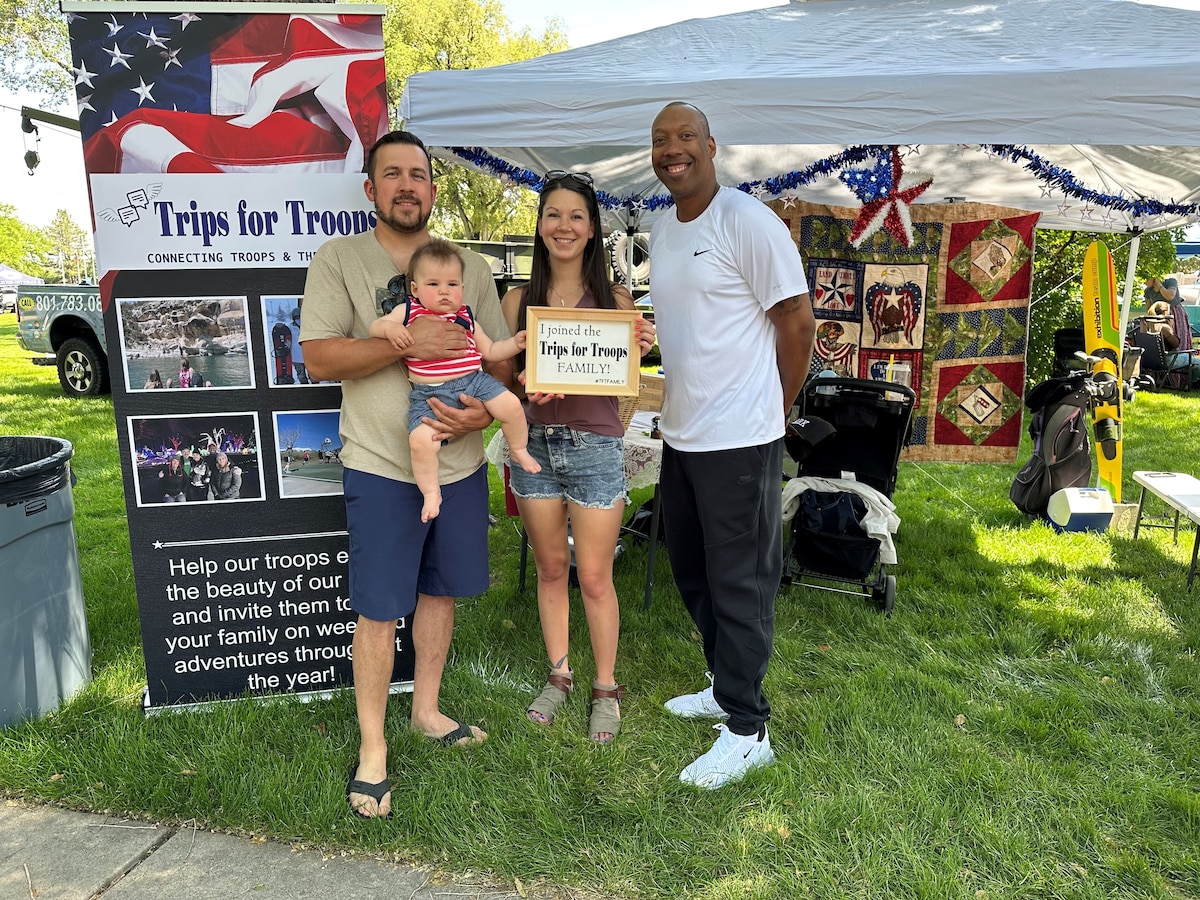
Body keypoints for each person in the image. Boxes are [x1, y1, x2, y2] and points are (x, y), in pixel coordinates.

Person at [300, 130, 507, 819]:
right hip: (383, 466)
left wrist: (481, 418)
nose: (407, 185)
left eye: (418, 174)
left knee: (441, 595)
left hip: (460, 466)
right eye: (393, 175)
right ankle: (372, 749)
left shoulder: (469, 268)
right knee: (380, 605)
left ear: (432, 189)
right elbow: (322, 359)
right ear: (371, 189)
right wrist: (404, 345)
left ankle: (425, 710)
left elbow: (496, 364)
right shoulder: (340, 259)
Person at [648, 101, 816, 788]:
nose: (672, 150)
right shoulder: (663, 226)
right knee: (691, 568)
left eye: (685, 137)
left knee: (739, 584)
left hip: (740, 439)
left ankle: (748, 731)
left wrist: (773, 407)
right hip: (683, 434)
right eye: (661, 141)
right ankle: (724, 685)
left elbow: (798, 323)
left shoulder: (746, 221)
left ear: (711, 146)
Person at [500, 169, 656, 744]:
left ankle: (606, 688)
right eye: (553, 215)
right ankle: (560, 674)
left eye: (576, 216)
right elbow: (499, 383)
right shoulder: (517, 300)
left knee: (594, 576)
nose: (563, 226)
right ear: (540, 226)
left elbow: (625, 379)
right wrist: (521, 389)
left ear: (592, 230)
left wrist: (639, 344)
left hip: (595, 447)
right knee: (550, 570)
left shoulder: (615, 300)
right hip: (535, 449)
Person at [371, 239, 539, 522]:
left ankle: (519, 449)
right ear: (415, 289)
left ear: (462, 287)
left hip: (474, 382)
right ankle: (431, 492)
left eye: (452, 284)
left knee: (511, 405)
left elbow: (491, 351)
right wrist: (389, 331)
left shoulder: (466, 317)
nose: (444, 292)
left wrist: (515, 343)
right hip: (429, 394)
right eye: (433, 284)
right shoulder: (410, 312)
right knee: (421, 441)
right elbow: (376, 326)